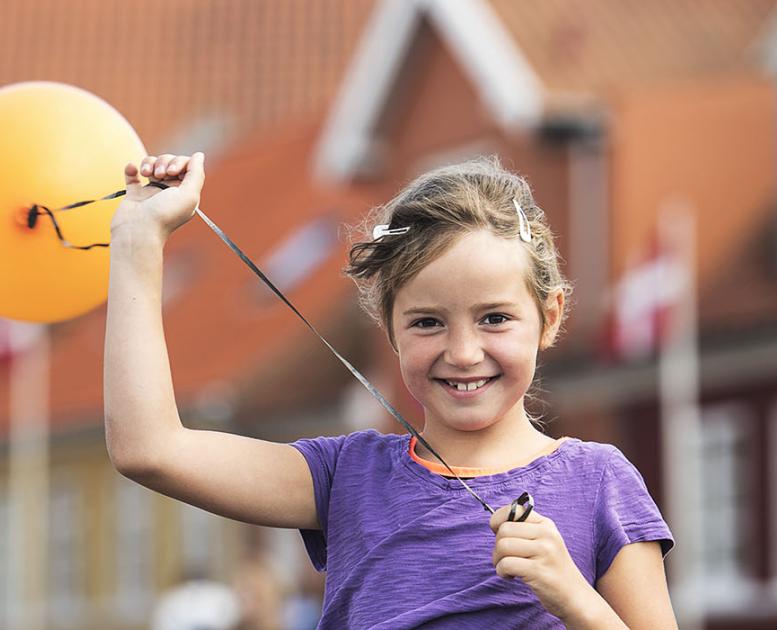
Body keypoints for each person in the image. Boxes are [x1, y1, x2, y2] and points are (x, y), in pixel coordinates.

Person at [105, 152, 678, 629]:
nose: (462, 352)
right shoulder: (343, 478)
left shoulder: (601, 482)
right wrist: (138, 240)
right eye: (428, 322)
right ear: (388, 328)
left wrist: (574, 599)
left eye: (495, 318)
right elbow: (148, 448)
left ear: (549, 317)